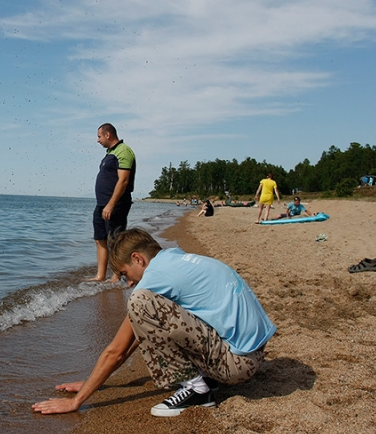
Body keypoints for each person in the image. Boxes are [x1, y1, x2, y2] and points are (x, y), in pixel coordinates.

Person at [32, 228, 276, 418]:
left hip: (237, 365)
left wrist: (77, 401)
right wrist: (92, 383)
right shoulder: (175, 260)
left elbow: (116, 351)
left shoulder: (155, 277)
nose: (127, 283)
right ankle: (205, 379)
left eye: (125, 274)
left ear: (138, 258)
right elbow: (140, 335)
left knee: (139, 302)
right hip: (249, 355)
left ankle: (198, 391)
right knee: (146, 307)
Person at [89, 123, 136, 282]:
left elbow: (123, 181)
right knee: (100, 238)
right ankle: (100, 276)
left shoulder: (123, 151)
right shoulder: (110, 153)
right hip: (101, 203)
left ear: (108, 135)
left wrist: (110, 204)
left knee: (114, 240)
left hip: (116, 204)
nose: (98, 140)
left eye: (99, 136)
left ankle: (116, 276)